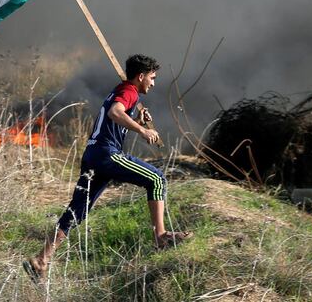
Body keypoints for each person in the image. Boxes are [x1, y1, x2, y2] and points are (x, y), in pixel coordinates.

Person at [23, 54, 190, 283]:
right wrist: (143, 131)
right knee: (157, 179)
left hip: (92, 154)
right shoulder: (129, 92)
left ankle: (41, 260)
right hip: (106, 153)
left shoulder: (123, 91)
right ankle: (161, 237)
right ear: (140, 76)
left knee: (76, 211)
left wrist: (138, 120)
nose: (153, 82)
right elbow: (114, 113)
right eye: (152, 78)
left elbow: (116, 116)